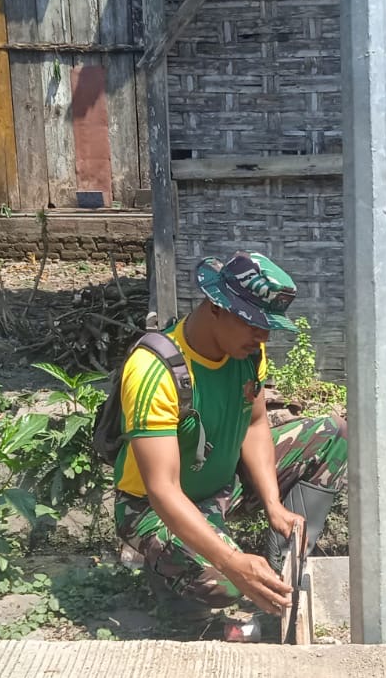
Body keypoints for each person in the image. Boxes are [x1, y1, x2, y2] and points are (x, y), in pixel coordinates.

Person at [113, 251, 348, 625]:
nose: (263, 336)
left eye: (268, 326)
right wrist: (232, 562)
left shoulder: (248, 353)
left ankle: (280, 569)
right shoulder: (153, 370)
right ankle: (172, 585)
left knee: (331, 433)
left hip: (222, 486)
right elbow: (163, 490)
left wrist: (273, 504)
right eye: (253, 323)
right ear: (216, 307)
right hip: (152, 507)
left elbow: (255, 426)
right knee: (227, 583)